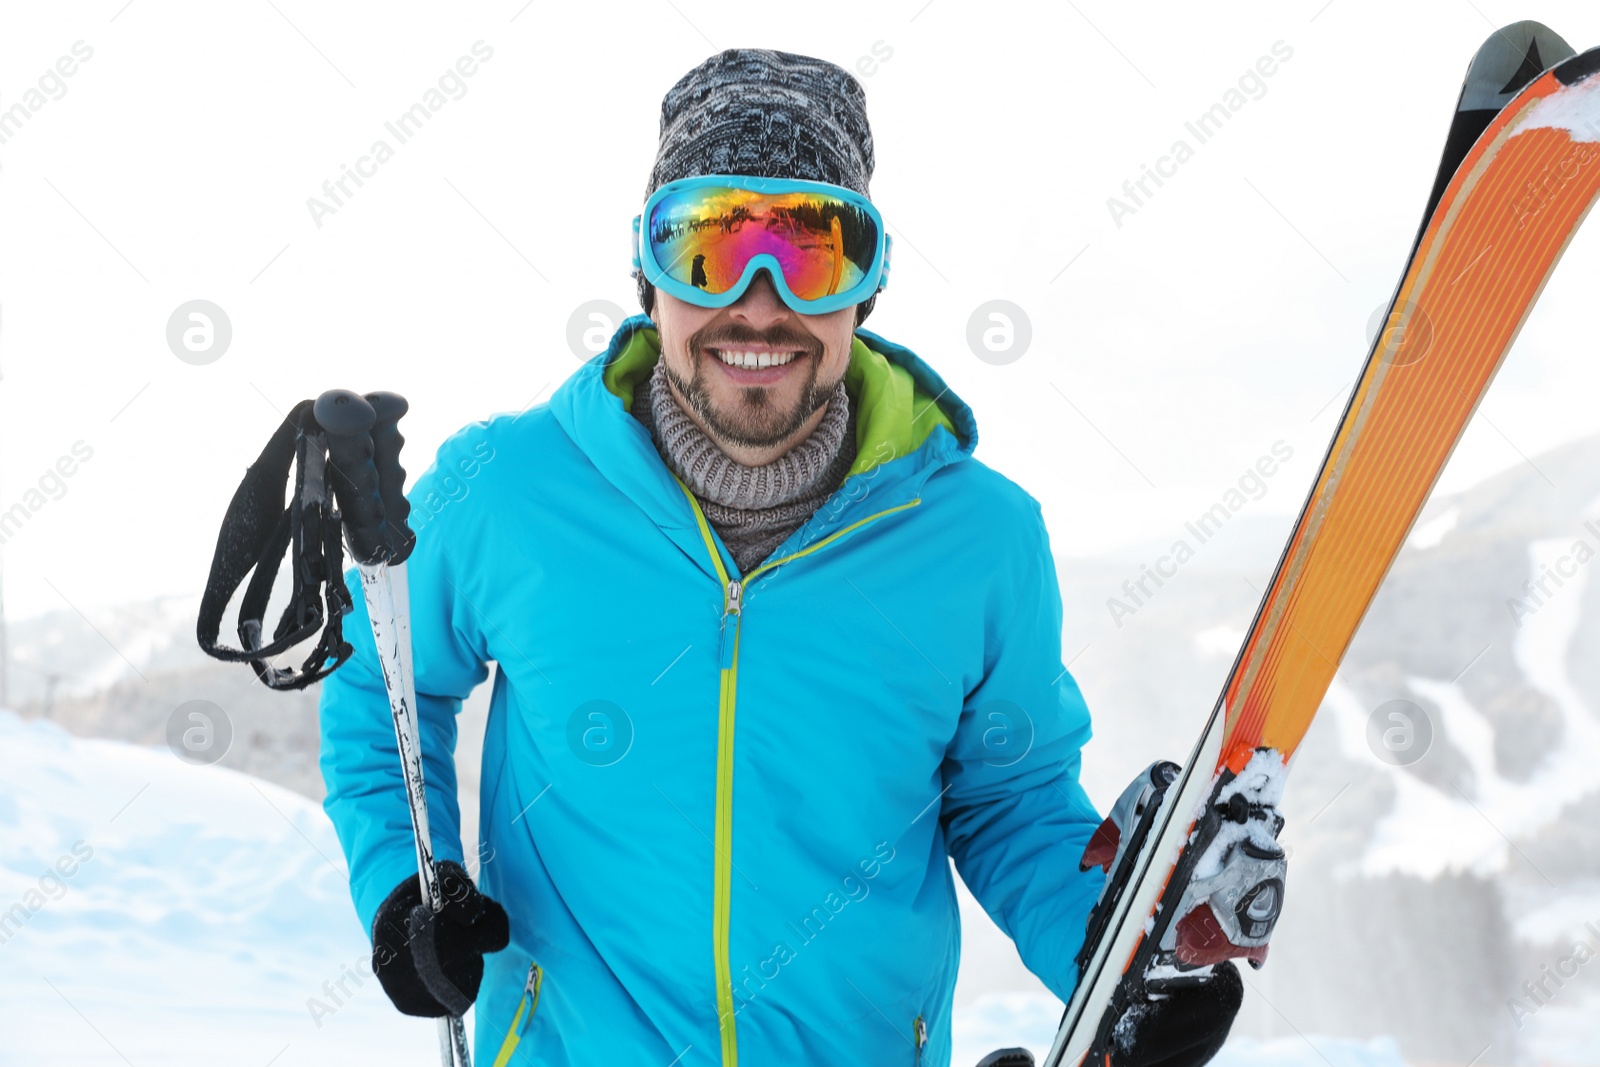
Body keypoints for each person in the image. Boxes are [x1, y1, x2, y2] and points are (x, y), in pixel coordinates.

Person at [319, 48, 1243, 1067]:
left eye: (810, 251)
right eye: (707, 250)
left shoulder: (979, 539)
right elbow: (381, 696)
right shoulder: (505, 488)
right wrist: (407, 883)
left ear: (869, 284)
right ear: (644, 273)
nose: (758, 305)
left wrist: (1113, 964)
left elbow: (1009, 797)